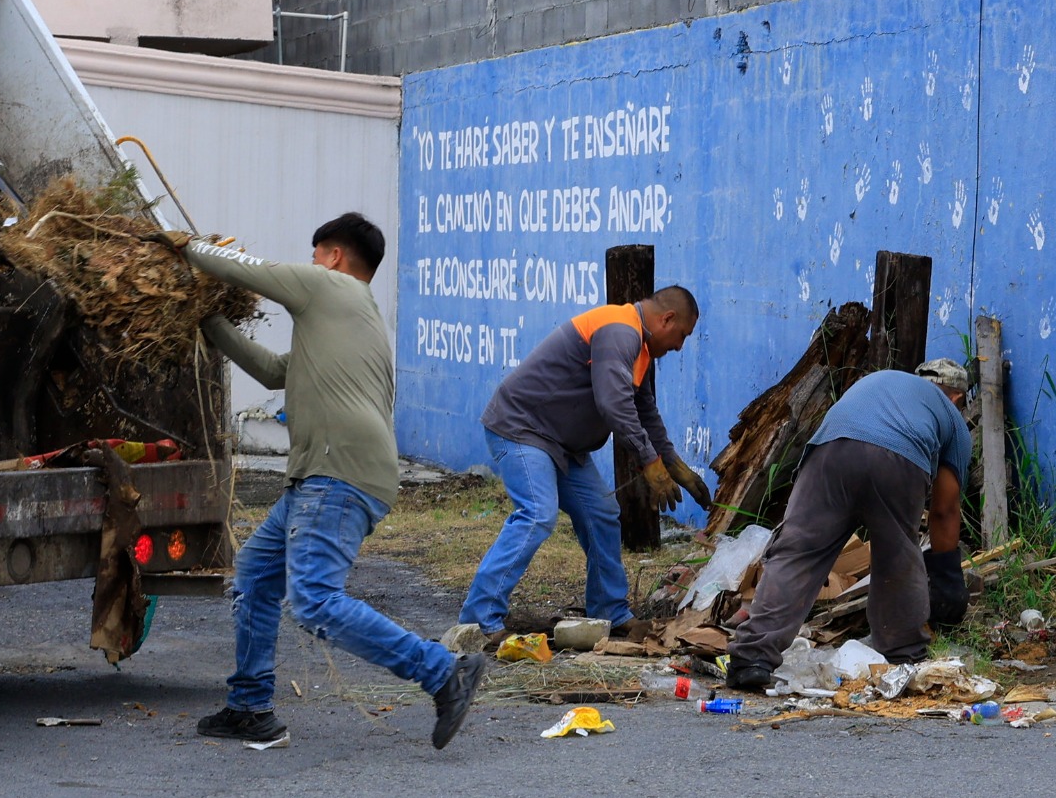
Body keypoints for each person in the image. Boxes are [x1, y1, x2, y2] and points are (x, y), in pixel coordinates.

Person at [158, 213, 485, 749]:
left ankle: (442, 671)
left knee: (312, 600)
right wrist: (205, 318)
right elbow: (269, 370)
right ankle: (248, 705)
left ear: (334, 257)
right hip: (325, 475)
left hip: (337, 473)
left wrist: (181, 245)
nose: (308, 264)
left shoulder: (328, 287)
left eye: (314, 254)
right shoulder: (350, 321)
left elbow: (250, 270)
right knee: (257, 580)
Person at [458, 288, 708, 648]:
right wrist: (649, 462)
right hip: (522, 430)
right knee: (537, 515)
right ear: (667, 319)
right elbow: (613, 403)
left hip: (560, 444)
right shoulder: (620, 331)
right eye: (682, 335)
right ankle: (480, 619)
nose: (680, 346)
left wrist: (675, 465)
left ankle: (611, 612)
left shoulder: (639, 347)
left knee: (603, 514)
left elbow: (645, 413)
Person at [724, 358, 973, 691]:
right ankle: (903, 657)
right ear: (956, 397)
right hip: (897, 458)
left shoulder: (885, 378)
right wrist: (947, 576)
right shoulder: (953, 419)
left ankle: (751, 659)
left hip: (830, 449)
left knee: (798, 552)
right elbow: (944, 509)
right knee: (896, 555)